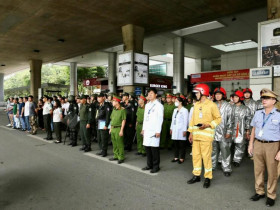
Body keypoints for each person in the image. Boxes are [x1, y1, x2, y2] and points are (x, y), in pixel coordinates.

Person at [248, 88, 280, 207]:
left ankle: (271, 195)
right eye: (263, 98)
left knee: (272, 172)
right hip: (258, 144)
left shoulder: (279, 114)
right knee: (258, 170)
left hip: (273, 145)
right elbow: (254, 129)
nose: (263, 100)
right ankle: (259, 191)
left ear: (274, 100)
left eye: (266, 98)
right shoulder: (258, 113)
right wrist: (251, 144)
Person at [187, 84, 221, 188]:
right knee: (196, 157)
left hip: (206, 137)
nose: (196, 94)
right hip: (196, 136)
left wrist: (208, 125)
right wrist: (191, 133)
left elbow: (218, 119)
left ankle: (208, 177)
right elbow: (192, 120)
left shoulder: (212, 105)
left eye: (197, 92)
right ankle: (196, 175)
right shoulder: (196, 105)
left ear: (203, 92)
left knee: (206, 158)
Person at [211, 87, 234, 177]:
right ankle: (212, 165)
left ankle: (227, 168)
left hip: (224, 133)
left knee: (225, 151)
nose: (217, 96)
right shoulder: (212, 105)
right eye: (216, 94)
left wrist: (229, 131)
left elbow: (231, 120)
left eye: (219, 94)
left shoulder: (228, 106)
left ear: (223, 95)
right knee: (213, 150)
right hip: (213, 131)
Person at [141, 88, 164, 173]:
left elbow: (160, 119)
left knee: (154, 149)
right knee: (147, 148)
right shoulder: (147, 105)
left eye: (151, 93)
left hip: (154, 130)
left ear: (156, 95)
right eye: (148, 93)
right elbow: (145, 118)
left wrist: (158, 131)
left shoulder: (159, 105)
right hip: (147, 130)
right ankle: (149, 165)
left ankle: (156, 166)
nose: (149, 95)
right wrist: (143, 129)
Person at [231, 90, 251, 167]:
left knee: (240, 145)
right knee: (226, 144)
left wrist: (247, 131)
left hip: (241, 129)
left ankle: (237, 160)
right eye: (233, 97)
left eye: (236, 97)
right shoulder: (230, 107)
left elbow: (248, 120)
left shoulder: (246, 109)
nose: (234, 98)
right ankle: (221, 159)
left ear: (240, 98)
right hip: (230, 129)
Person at [170, 97, 189, 164]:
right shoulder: (175, 110)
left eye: (176, 101)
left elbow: (186, 121)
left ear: (180, 102)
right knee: (176, 144)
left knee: (182, 145)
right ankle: (176, 157)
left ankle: (182, 158)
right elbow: (173, 120)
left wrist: (184, 130)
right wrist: (171, 128)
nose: (175, 102)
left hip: (181, 129)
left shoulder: (185, 110)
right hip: (175, 129)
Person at [109, 95, 126, 164]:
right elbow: (112, 120)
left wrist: (121, 130)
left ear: (117, 102)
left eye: (113, 101)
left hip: (118, 128)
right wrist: (110, 128)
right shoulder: (113, 110)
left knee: (120, 144)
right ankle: (116, 155)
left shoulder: (122, 110)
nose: (112, 102)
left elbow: (123, 120)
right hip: (113, 128)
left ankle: (121, 157)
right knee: (114, 143)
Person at [96, 93, 112, 157]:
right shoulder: (99, 105)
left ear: (103, 98)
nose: (98, 98)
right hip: (99, 123)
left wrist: (106, 125)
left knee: (104, 138)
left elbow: (108, 116)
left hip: (104, 123)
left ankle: (104, 151)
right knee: (99, 137)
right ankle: (102, 150)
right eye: (98, 97)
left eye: (100, 97)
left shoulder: (106, 105)